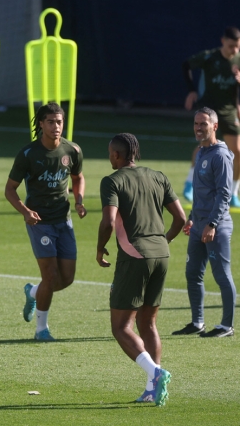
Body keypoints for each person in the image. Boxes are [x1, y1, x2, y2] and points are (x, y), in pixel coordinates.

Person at [96, 133, 186, 406]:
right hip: (161, 254)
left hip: (134, 256)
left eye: (110, 153)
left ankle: (155, 373)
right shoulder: (158, 176)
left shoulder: (112, 181)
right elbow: (181, 218)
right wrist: (163, 241)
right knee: (148, 323)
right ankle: (151, 390)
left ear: (116, 155)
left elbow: (109, 221)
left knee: (121, 327)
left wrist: (100, 248)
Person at [5, 102, 87, 341]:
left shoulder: (72, 150)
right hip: (39, 222)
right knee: (50, 276)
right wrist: (25, 211)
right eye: (50, 122)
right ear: (41, 124)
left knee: (67, 278)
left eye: (59, 122)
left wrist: (79, 201)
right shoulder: (28, 154)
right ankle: (41, 329)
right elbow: (10, 189)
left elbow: (78, 177)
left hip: (64, 220)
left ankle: (33, 291)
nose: (55, 127)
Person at [173, 107, 236, 338]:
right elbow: (201, 193)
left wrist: (212, 224)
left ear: (215, 126)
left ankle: (227, 326)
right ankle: (197, 322)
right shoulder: (201, 151)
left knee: (221, 275)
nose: (198, 128)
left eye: (204, 124)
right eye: (196, 123)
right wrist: (192, 217)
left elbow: (224, 194)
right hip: (199, 225)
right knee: (192, 274)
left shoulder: (220, 155)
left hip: (215, 227)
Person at [182, 26, 240, 207]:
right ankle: (190, 183)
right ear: (223, 41)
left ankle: (233, 193)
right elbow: (186, 65)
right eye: (231, 46)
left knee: (237, 151)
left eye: (237, 46)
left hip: (229, 110)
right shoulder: (209, 57)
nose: (234, 50)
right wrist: (192, 90)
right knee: (205, 146)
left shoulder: (238, 59)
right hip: (209, 109)